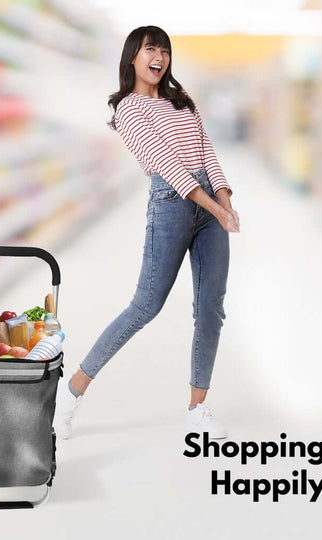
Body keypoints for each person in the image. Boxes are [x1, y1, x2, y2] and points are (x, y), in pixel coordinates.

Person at [54, 25, 240, 440]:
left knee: (211, 307)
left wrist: (224, 198)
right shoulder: (128, 109)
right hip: (172, 204)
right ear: (133, 57)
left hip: (209, 203)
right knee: (145, 305)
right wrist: (212, 205)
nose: (159, 57)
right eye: (150, 49)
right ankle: (71, 393)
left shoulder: (181, 101)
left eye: (164, 50)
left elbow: (206, 150)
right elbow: (167, 164)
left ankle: (197, 409)